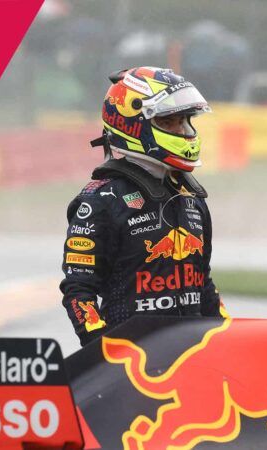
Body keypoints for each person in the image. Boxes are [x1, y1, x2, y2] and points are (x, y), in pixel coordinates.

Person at [60, 66, 227, 346]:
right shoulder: (100, 201)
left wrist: (227, 339)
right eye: (170, 121)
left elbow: (203, 285)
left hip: (194, 359)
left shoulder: (191, 197)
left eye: (186, 121)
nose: (183, 130)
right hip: (134, 363)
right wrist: (104, 354)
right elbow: (79, 293)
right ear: (133, 123)